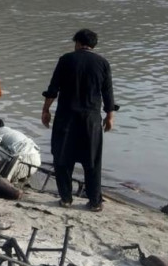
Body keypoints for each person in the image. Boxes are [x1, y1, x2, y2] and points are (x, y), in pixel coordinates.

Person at [41, 29, 117, 212]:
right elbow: (108, 93)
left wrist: (46, 110)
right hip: (91, 120)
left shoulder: (66, 60)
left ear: (77, 42)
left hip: (66, 117)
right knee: (92, 161)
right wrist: (110, 117)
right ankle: (95, 202)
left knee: (62, 158)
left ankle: (66, 198)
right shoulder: (103, 63)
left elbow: (53, 89)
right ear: (93, 45)